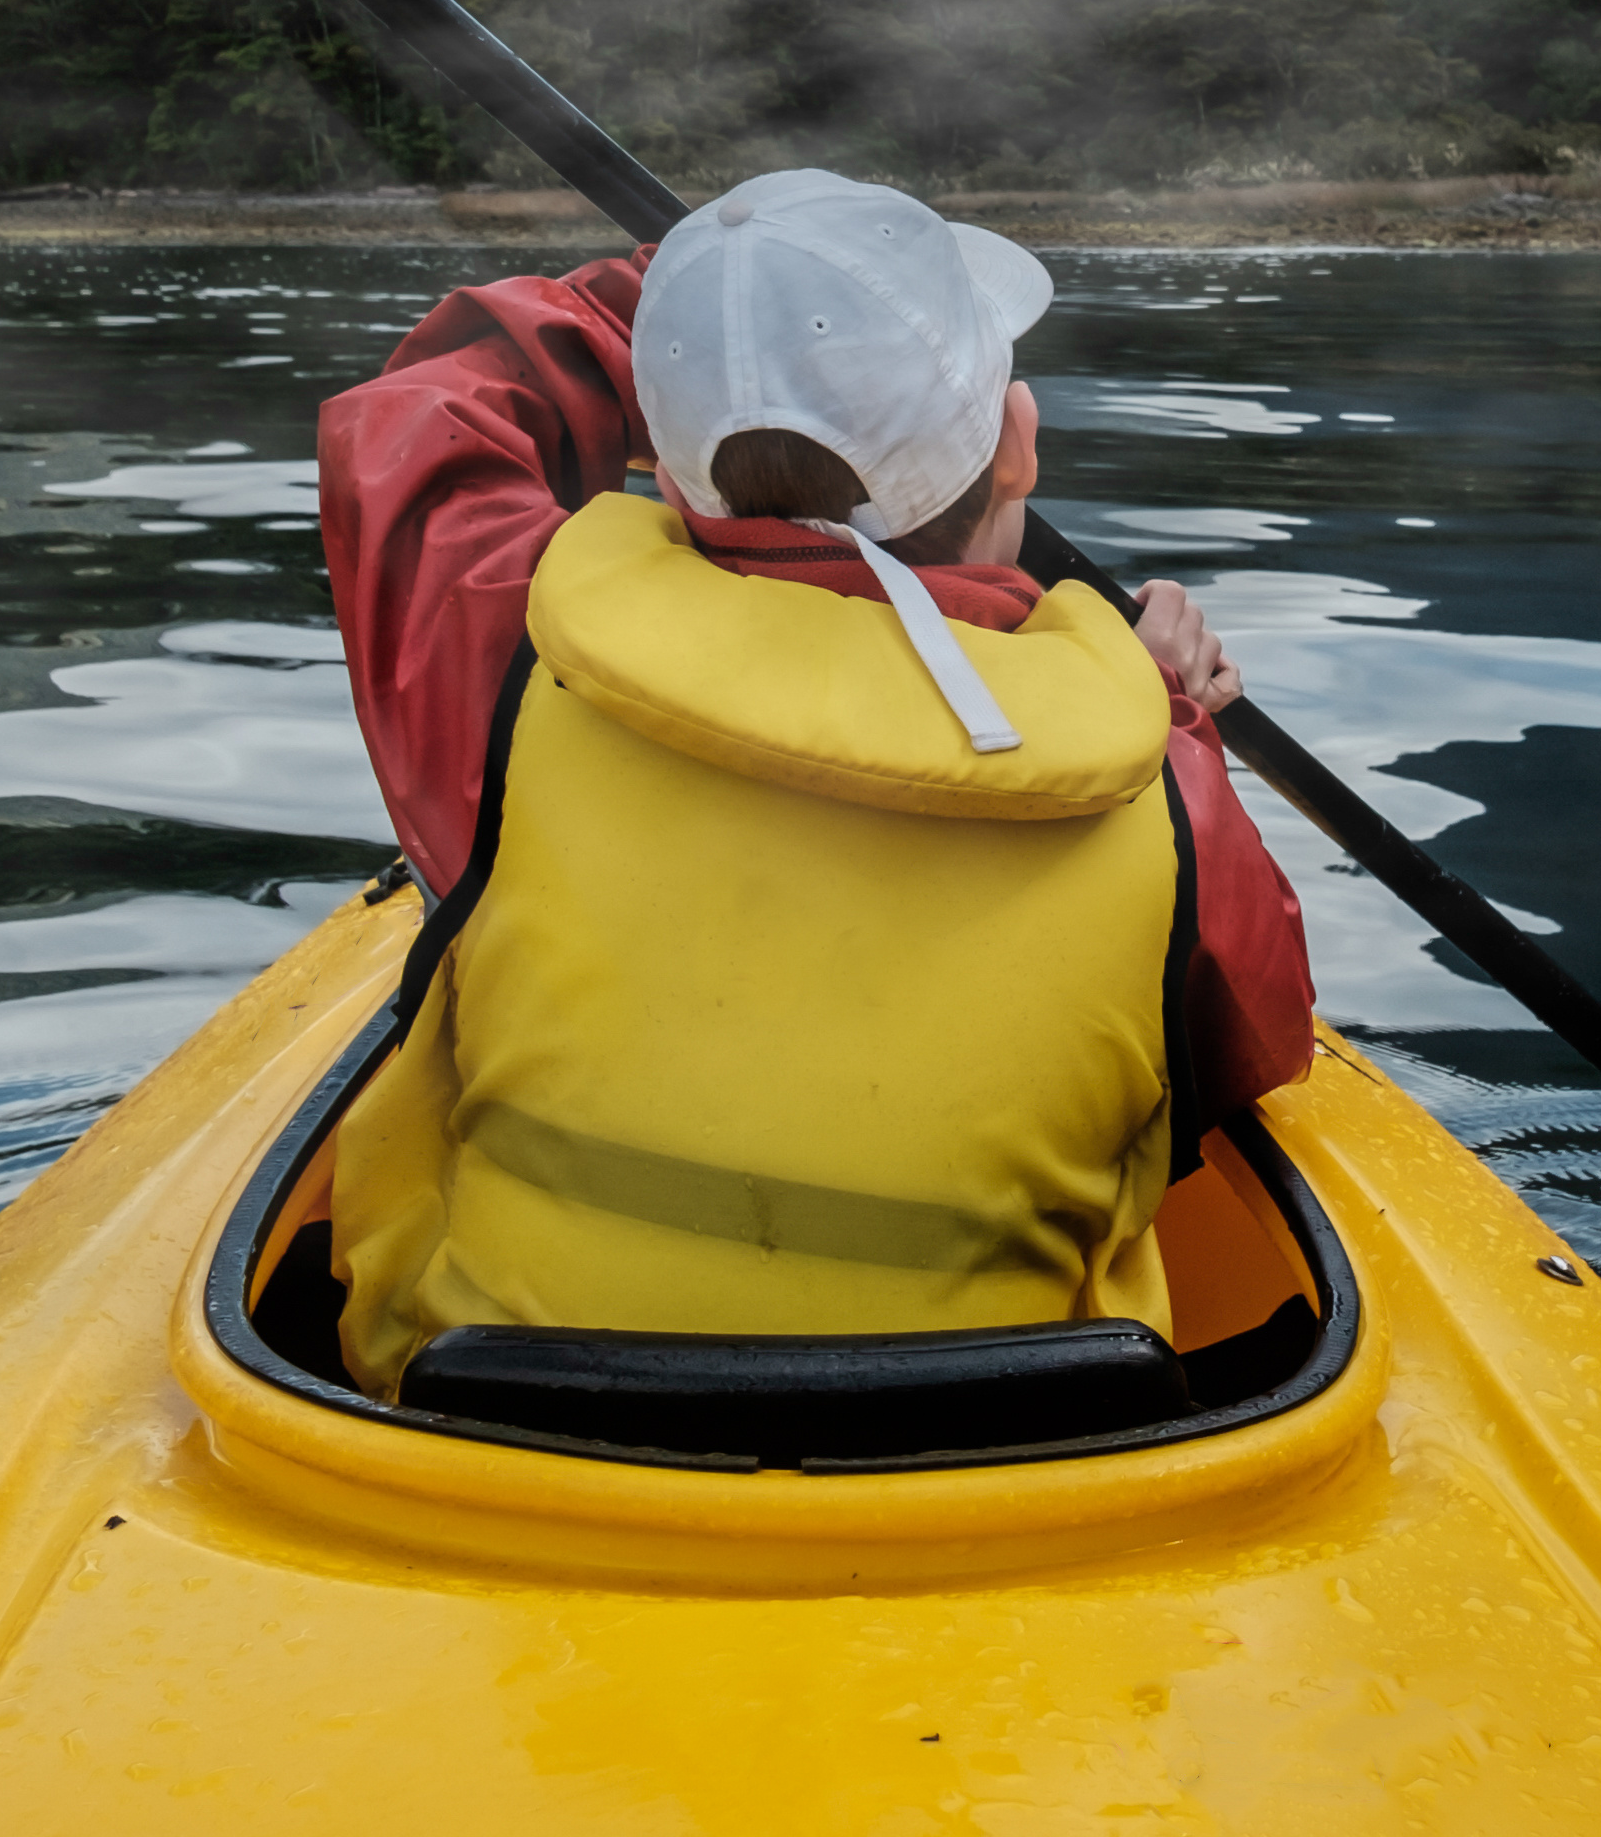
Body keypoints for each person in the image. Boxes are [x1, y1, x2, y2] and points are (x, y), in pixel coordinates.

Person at [312, 167, 1314, 1398]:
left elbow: (421, 412)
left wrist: (696, 299)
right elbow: (1251, 1051)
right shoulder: (1159, 785)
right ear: (1019, 443)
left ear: (670, 468)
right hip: (1004, 1434)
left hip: (492, 1410)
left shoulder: (508, 657)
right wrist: (1171, 718)